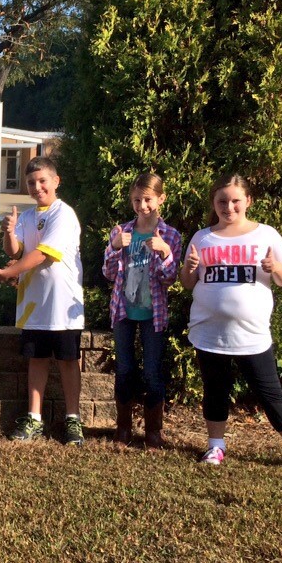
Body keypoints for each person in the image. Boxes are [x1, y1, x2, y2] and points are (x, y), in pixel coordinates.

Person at [180, 173, 282, 477]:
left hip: (251, 334)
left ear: (248, 201)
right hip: (208, 331)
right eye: (222, 201)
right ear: (214, 202)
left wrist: (275, 266)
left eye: (236, 200)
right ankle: (215, 446)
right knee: (215, 390)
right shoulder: (202, 236)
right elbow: (187, 283)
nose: (229, 207)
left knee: (270, 393)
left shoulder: (266, 235)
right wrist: (189, 268)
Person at [0, 156, 86, 445]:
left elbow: (41, 254)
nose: (37, 187)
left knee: (68, 361)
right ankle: (34, 419)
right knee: (37, 360)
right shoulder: (27, 216)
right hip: (33, 305)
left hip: (63, 304)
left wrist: (6, 274)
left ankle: (73, 420)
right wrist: (9, 233)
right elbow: (16, 252)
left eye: (42, 181)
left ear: (56, 181)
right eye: (31, 182)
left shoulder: (63, 215)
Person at [102, 173, 182, 447]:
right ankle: (123, 428)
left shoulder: (170, 235)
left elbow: (170, 278)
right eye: (137, 200)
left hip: (154, 314)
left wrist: (164, 253)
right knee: (124, 369)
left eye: (147, 199)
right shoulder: (122, 232)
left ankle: (153, 431)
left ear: (161, 199)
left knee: (152, 372)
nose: (142, 205)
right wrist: (114, 248)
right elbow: (109, 274)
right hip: (124, 311)